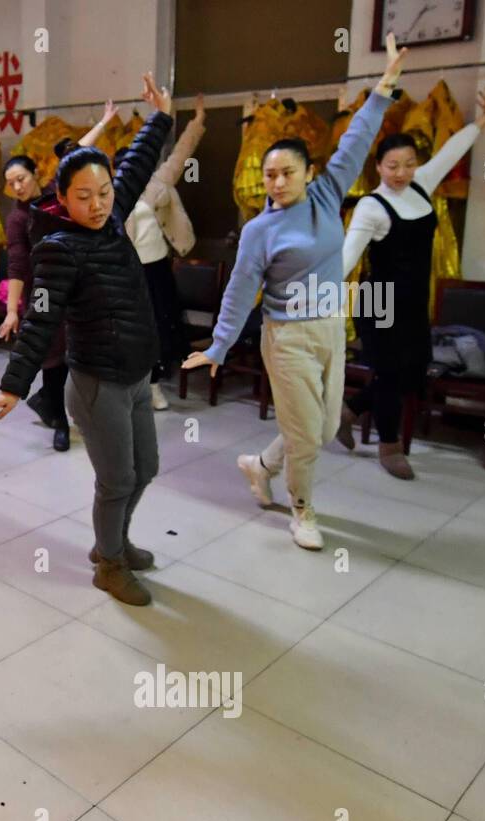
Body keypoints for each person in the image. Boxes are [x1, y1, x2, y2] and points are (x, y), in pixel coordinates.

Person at [182, 34, 407, 550]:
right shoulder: (260, 230)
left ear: (309, 173)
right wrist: (217, 345)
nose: (277, 183)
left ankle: (259, 466)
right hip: (285, 339)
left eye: (287, 173)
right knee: (309, 437)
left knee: (324, 428)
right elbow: (240, 289)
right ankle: (302, 510)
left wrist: (386, 84)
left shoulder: (327, 197)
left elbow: (356, 142)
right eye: (269, 175)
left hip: (330, 328)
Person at [0, 72, 176, 607]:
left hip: (134, 374)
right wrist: (14, 385)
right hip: (96, 384)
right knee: (117, 479)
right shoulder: (58, 248)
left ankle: (115, 543)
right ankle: (108, 563)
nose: (98, 203)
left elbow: (133, 164)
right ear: (61, 197)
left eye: (104, 193)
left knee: (146, 469)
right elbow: (41, 319)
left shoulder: (111, 217)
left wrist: (161, 116)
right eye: (83, 196)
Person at [337, 84, 485, 479]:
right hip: (378, 300)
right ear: (378, 167)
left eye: (408, 164)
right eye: (392, 166)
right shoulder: (370, 206)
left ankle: (349, 410)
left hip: (411, 301)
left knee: (412, 372)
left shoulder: (422, 185)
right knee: (391, 373)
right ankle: (389, 446)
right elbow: (346, 259)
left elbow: (452, 151)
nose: (401, 173)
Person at [114, 95, 206, 411]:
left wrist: (198, 121)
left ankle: (153, 386)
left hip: (155, 269)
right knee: (130, 331)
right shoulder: (112, 195)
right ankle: (130, 386)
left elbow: (182, 154)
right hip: (127, 273)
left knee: (157, 329)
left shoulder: (157, 184)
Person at [1, 152, 69, 450]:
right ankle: (61, 422)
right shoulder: (17, 219)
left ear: (36, 174)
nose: (17, 187)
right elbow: (16, 265)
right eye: (11, 183)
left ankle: (45, 400)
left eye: (21, 179)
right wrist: (11, 310)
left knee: (68, 351)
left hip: (67, 284)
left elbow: (73, 154)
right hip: (39, 292)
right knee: (53, 354)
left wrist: (104, 123)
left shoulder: (54, 196)